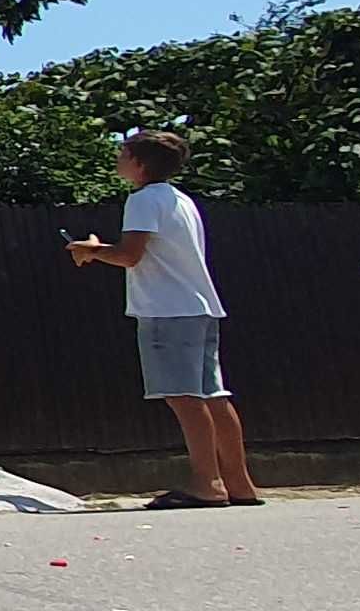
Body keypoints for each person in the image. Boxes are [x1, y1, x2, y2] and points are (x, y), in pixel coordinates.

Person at [66, 127, 259, 509]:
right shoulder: (181, 200)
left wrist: (89, 250)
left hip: (166, 310)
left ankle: (208, 484)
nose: (118, 158)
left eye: (123, 153)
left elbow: (129, 255)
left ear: (139, 163)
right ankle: (240, 484)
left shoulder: (142, 200)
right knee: (213, 395)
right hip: (199, 306)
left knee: (184, 398)